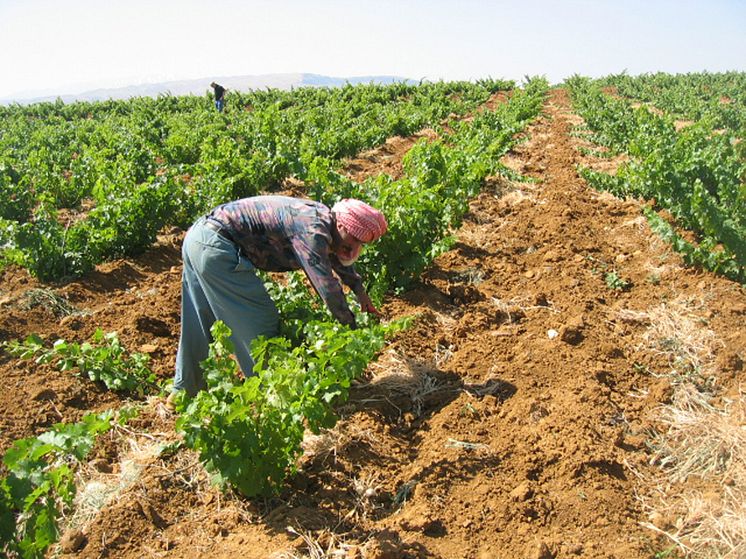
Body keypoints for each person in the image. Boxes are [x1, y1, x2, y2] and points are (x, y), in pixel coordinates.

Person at [168, 195, 387, 404]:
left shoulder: (323, 219)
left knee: (199, 319)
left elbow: (335, 255)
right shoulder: (312, 230)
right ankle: (272, 398)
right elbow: (327, 287)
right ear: (341, 226)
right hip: (217, 248)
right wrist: (350, 328)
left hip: (199, 238)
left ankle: (184, 391)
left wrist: (360, 292)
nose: (355, 249)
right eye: (354, 241)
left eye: (362, 245)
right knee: (261, 323)